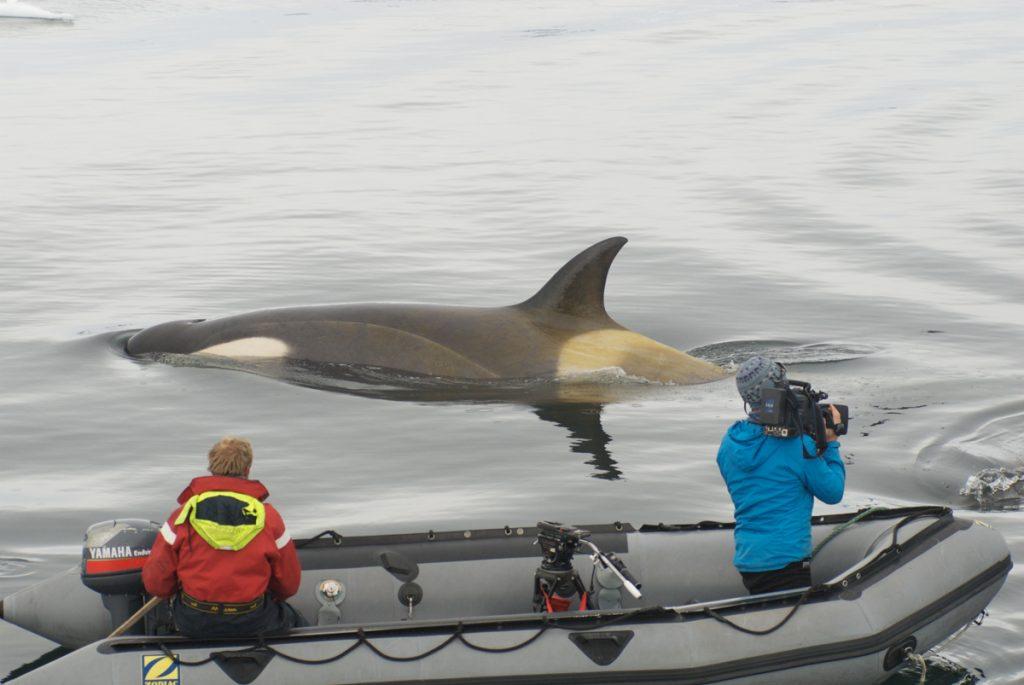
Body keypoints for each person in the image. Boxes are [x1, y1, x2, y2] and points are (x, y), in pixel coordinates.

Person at [143, 436, 305, 637]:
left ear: (212, 469)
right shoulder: (268, 517)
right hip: (253, 619)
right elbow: (288, 585)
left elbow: (156, 583)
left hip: (194, 620)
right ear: (247, 470)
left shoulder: (183, 515)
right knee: (297, 621)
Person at [716, 356, 846, 595]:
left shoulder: (729, 442)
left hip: (749, 560)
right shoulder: (796, 446)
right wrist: (831, 443)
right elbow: (833, 492)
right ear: (780, 390)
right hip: (786, 563)